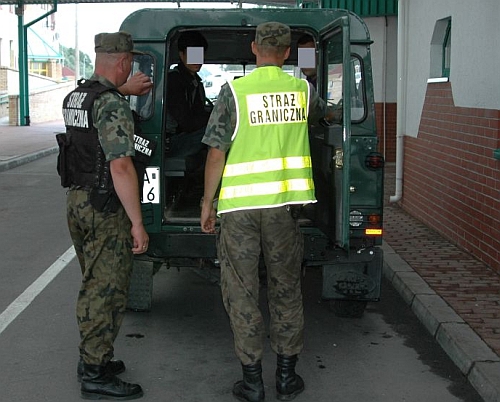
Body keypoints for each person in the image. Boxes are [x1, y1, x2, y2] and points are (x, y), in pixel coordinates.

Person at [200, 22, 333, 402]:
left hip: (240, 210)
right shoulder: (302, 90)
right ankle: (287, 378)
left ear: (255, 49)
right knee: (286, 288)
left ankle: (253, 381)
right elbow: (326, 115)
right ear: (288, 53)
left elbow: (215, 152)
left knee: (242, 292)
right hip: (284, 209)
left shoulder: (234, 92)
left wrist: (208, 203)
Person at [59, 31, 149, 400]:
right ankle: (95, 371)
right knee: (104, 289)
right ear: (125, 62)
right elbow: (121, 166)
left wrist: (121, 93)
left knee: (95, 280)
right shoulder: (111, 104)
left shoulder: (77, 95)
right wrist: (138, 222)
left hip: (77, 201)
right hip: (104, 206)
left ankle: (95, 358)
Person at [166, 30, 211, 158]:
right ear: (181, 54)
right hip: (174, 140)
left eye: (200, 55)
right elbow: (187, 123)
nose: (197, 60)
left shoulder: (195, 82)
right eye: (193, 55)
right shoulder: (174, 81)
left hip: (186, 136)